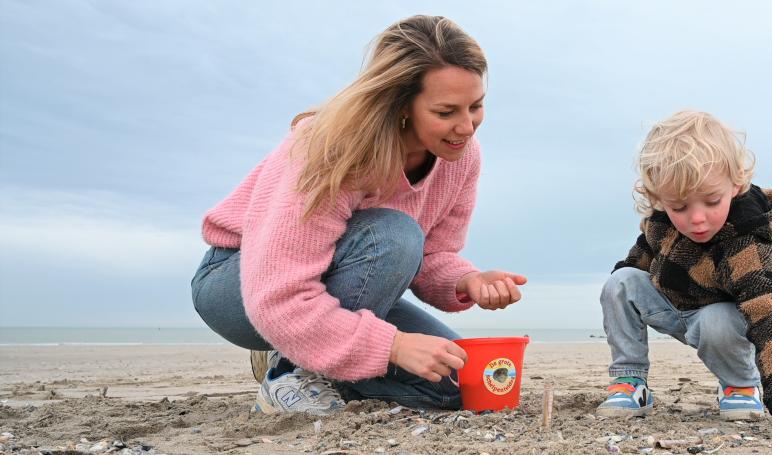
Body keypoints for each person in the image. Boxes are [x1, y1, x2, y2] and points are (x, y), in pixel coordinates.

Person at [191, 15, 526, 415]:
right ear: (401, 105)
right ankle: (289, 371)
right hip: (245, 285)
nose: (467, 127)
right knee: (394, 234)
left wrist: (467, 280)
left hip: (340, 291)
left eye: (476, 106)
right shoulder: (331, 147)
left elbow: (431, 255)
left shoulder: (461, 157)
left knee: (459, 383)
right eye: (446, 112)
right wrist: (394, 346)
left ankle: (321, 363)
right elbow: (277, 294)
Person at [597, 110, 772, 444]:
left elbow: (771, 315)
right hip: (672, 306)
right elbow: (641, 259)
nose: (696, 218)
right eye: (679, 207)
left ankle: (740, 384)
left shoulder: (747, 243)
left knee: (717, 318)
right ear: (660, 198)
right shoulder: (661, 220)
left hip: (724, 323)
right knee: (621, 281)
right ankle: (630, 382)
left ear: (735, 184)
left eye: (712, 201)